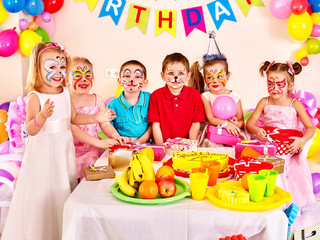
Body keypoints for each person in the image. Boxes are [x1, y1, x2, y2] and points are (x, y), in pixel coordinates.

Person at [1, 42, 113, 240]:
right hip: (42, 152)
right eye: (52, 67)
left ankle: (60, 232)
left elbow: (75, 118)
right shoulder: (35, 97)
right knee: (43, 190)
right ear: (37, 69)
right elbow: (30, 130)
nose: (58, 72)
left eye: (62, 67)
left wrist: (97, 118)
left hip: (62, 149)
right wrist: (42, 117)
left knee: (61, 189)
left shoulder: (64, 93)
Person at [246, 60, 316, 209]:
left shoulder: (295, 104)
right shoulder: (264, 102)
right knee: (261, 167)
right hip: (269, 147)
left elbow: (310, 128)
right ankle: (271, 202)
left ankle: (291, 204)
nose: (274, 88)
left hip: (289, 149)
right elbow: (250, 124)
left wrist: (301, 140)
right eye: (270, 84)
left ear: (290, 85)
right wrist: (258, 131)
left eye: (280, 84)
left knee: (291, 170)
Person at [70, 57, 120, 179]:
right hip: (72, 149)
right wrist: (99, 143)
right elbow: (74, 130)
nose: (83, 79)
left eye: (88, 75)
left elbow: (105, 124)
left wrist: (115, 136)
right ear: (66, 79)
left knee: (98, 161)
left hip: (94, 147)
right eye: (77, 76)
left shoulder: (97, 99)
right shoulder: (66, 100)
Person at [189, 32, 244, 138]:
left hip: (231, 134)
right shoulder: (206, 96)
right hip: (213, 134)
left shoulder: (235, 97)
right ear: (205, 79)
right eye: (210, 77)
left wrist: (236, 123)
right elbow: (211, 119)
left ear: (227, 77)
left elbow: (241, 120)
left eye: (219, 77)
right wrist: (226, 124)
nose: (214, 81)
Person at [148, 52, 205, 145]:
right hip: (163, 145)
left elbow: (195, 123)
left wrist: (191, 145)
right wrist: (161, 147)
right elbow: (155, 125)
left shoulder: (194, 95)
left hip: (186, 146)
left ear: (188, 75)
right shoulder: (155, 96)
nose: (175, 77)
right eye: (170, 73)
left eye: (181, 73)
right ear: (162, 76)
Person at [105, 60, 151, 144]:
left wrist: (140, 141)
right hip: (122, 144)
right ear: (119, 81)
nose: (132, 80)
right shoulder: (113, 104)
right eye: (127, 75)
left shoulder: (150, 99)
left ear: (145, 83)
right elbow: (106, 125)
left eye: (137, 76)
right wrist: (116, 137)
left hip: (146, 143)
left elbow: (153, 125)